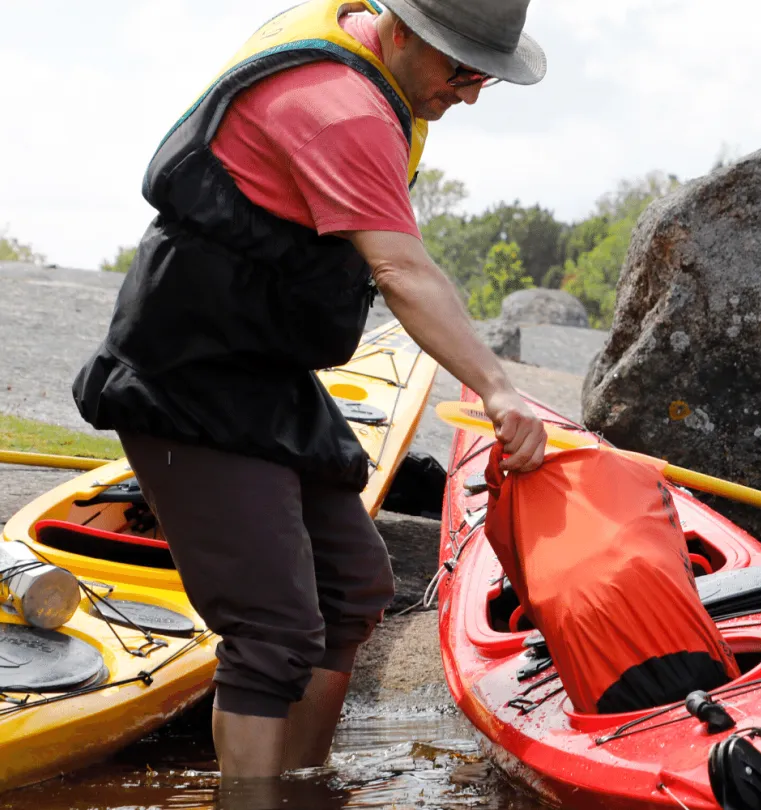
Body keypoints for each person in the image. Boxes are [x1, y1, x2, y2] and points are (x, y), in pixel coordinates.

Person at [72, 0, 548, 782]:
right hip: (184, 372)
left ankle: (301, 787)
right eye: (459, 69)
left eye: (485, 77)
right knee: (271, 628)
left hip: (263, 370)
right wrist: (496, 388)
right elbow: (400, 270)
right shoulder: (340, 109)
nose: (468, 93)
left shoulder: (372, 66)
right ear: (400, 30)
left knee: (354, 587)